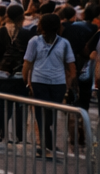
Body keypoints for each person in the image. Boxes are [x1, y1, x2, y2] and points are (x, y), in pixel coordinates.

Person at [24, 12, 76, 154]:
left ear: (41, 26)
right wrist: (68, 85)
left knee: (43, 114)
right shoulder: (64, 43)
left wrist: (26, 81)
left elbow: (27, 64)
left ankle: (46, 142)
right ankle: (46, 143)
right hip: (57, 84)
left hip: (39, 82)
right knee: (49, 114)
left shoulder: (34, 42)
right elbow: (72, 68)